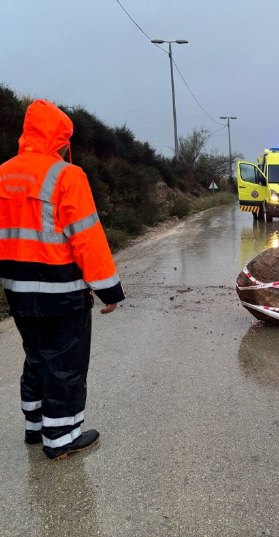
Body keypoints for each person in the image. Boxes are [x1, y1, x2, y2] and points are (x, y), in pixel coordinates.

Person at [0, 100, 125, 460]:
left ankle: (35, 427)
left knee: (36, 356)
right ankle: (61, 438)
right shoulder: (67, 175)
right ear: (60, 138)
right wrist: (109, 290)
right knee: (65, 364)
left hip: (17, 290)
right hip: (61, 289)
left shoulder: (4, 173)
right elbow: (86, 238)